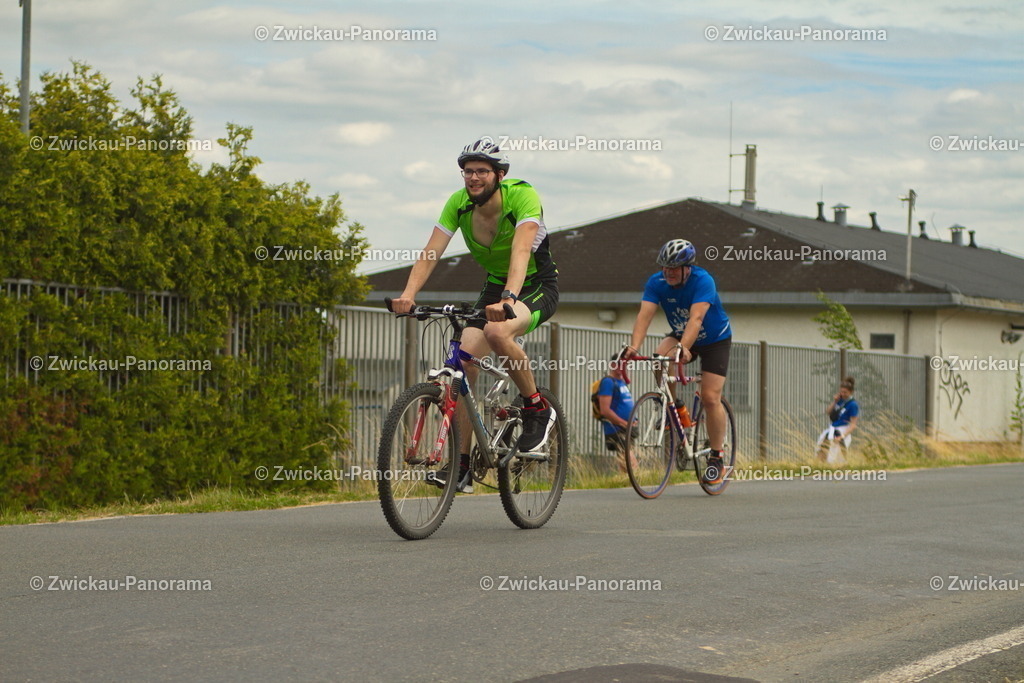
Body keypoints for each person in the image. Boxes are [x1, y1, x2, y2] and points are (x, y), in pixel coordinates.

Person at [390, 137, 559, 493]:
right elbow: (431, 251)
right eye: (468, 171)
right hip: (496, 285)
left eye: (482, 171)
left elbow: (521, 248)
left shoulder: (522, 196)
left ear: (499, 175)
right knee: (462, 365)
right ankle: (462, 465)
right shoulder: (459, 204)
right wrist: (408, 295)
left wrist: (509, 298)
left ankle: (536, 408)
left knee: (499, 334)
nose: (473, 178)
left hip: (535, 283)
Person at [622, 239, 732, 484]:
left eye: (674, 267)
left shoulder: (703, 281)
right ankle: (674, 406)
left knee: (710, 397)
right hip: (681, 334)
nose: (668, 272)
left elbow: (696, 319)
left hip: (714, 339)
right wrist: (634, 346)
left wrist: (684, 347)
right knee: (658, 357)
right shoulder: (656, 282)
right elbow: (645, 315)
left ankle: (717, 457)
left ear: (687, 268)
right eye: (665, 267)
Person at [595, 356, 636, 473]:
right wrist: (624, 423)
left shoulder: (622, 382)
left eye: (624, 364)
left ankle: (625, 481)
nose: (622, 367)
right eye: (618, 364)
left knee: (624, 457)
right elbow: (605, 410)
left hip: (627, 427)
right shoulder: (608, 382)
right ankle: (637, 478)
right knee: (629, 459)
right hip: (617, 428)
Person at [817, 377, 859, 464]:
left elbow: (853, 425)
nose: (843, 394)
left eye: (845, 392)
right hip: (832, 428)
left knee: (835, 454)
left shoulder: (852, 405)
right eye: (841, 392)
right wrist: (835, 402)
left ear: (851, 392)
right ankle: (820, 466)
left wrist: (842, 436)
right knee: (822, 448)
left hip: (842, 430)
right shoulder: (839, 401)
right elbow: (828, 411)